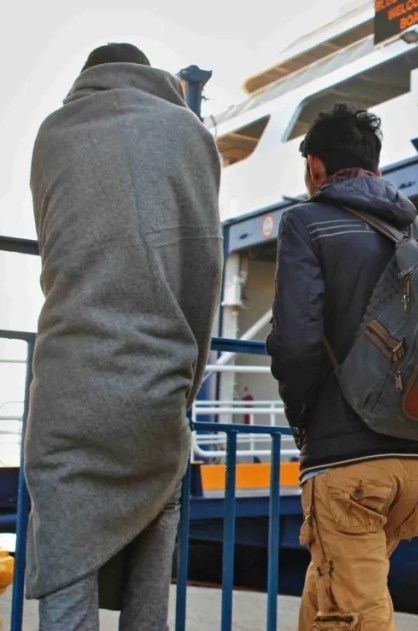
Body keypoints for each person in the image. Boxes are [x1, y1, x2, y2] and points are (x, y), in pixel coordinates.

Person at [267, 103, 418, 631]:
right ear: (377, 169)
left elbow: (295, 344)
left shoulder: (305, 223)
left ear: (314, 166)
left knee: (354, 612)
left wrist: (307, 421)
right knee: (330, 589)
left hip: (349, 463)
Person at [26, 43, 222, 629]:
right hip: (156, 385)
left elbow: (57, 252)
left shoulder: (52, 135)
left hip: (66, 385)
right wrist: (181, 395)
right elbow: (203, 278)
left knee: (65, 569)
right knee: (149, 574)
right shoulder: (189, 135)